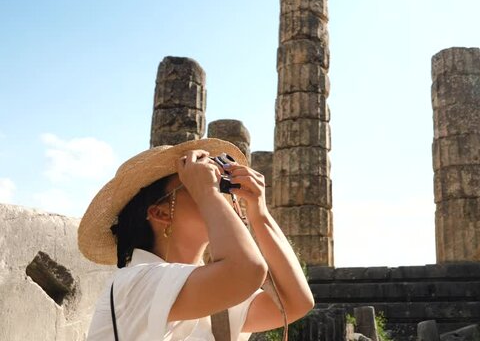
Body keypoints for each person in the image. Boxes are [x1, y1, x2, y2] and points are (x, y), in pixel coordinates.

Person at [78, 138, 314, 340]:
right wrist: (208, 192)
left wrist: (259, 213)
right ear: (160, 213)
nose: (221, 192)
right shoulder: (134, 283)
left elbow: (295, 303)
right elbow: (246, 271)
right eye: (195, 182)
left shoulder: (211, 290)